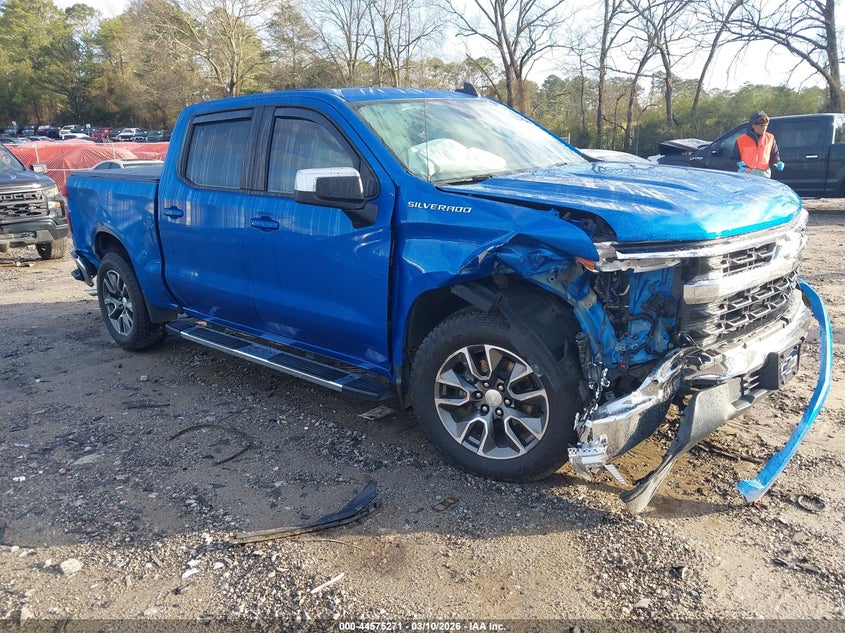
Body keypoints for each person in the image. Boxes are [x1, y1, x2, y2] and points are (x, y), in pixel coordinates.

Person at [733, 111, 784, 178]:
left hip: (764, 176)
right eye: (761, 126)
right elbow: (733, 158)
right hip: (745, 176)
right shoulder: (741, 140)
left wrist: (778, 162)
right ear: (753, 125)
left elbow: (774, 155)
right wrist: (738, 163)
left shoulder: (770, 138)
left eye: (766, 125)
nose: (764, 128)